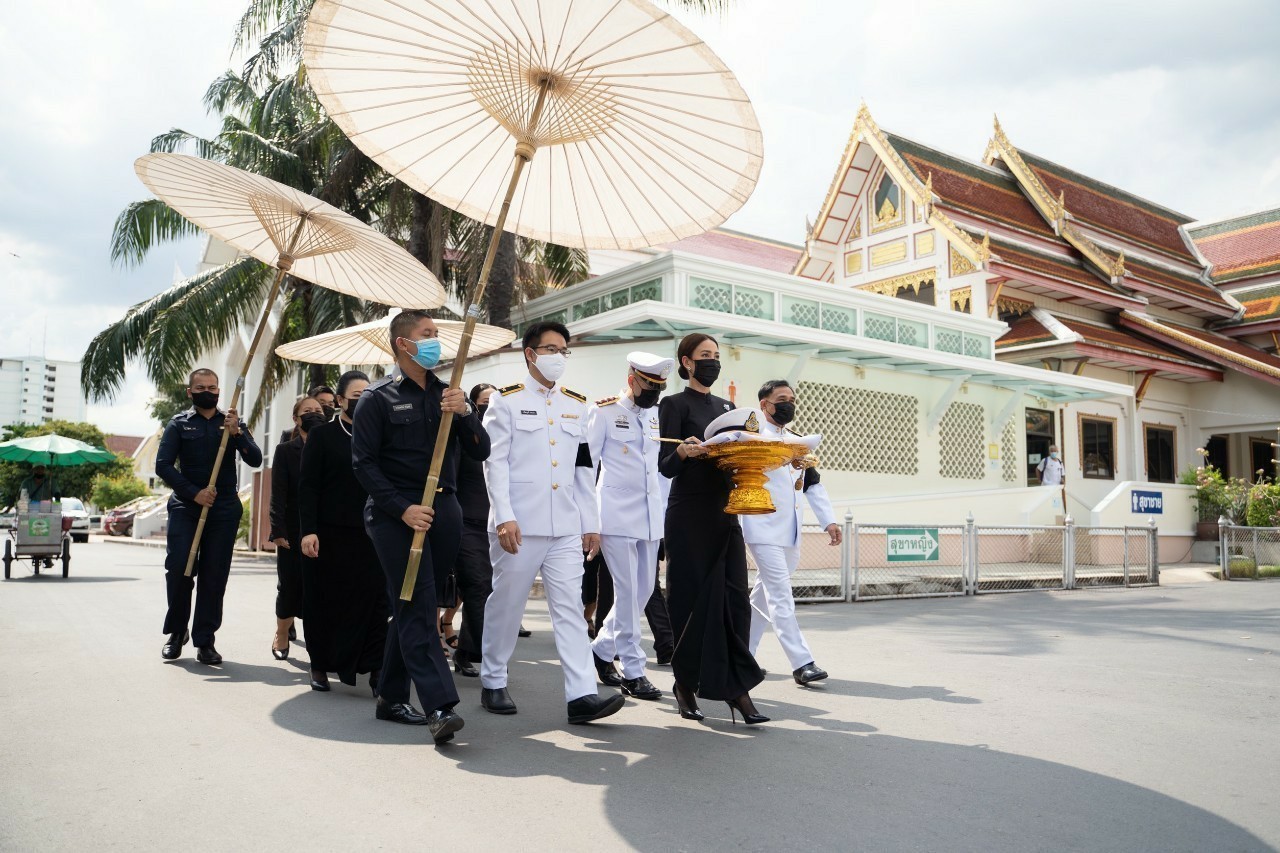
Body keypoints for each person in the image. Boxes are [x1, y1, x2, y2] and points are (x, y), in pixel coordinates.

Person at [479, 321, 625, 725]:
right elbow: (495, 465)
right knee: (507, 604)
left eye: (564, 350)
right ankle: (493, 679)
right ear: (531, 353)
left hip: (564, 526)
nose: (559, 356)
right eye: (551, 349)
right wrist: (504, 516)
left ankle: (582, 696)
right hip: (518, 526)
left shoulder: (577, 404)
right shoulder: (505, 402)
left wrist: (589, 521)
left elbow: (582, 468)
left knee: (570, 609)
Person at [352, 309, 486, 745]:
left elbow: (480, 452)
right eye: (426, 335)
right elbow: (364, 465)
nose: (435, 341)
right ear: (402, 344)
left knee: (410, 601)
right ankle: (439, 706)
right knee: (418, 604)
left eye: (436, 334)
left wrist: (465, 412)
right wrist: (402, 508)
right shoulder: (378, 397)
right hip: (397, 516)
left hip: (444, 512)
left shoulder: (449, 394)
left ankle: (390, 697)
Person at [658, 333, 767, 725]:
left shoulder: (728, 407)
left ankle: (736, 687)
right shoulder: (672, 404)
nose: (712, 362)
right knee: (688, 599)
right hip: (688, 515)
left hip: (725, 511)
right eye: (705, 356)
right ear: (687, 362)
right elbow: (665, 463)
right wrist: (684, 452)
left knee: (735, 597)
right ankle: (684, 684)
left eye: (716, 356)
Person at [157, 368, 263, 664]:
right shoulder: (178, 424)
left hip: (224, 508)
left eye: (213, 387)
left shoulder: (231, 423)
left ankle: (205, 639)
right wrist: (194, 493)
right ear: (190, 392)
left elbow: (255, 459)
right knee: (179, 568)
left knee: (214, 575)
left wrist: (238, 434)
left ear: (220, 391)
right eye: (201, 387)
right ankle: (177, 633)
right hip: (187, 506)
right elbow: (163, 466)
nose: (208, 391)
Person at [584, 351, 674, 701]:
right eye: (650, 386)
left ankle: (602, 649)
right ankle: (634, 671)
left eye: (660, 387)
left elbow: (655, 469)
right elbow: (587, 468)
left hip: (650, 516)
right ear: (632, 380)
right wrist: (588, 520)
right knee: (626, 593)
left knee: (644, 591)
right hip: (616, 514)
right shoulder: (604, 411)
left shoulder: (654, 416)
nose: (654, 393)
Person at [742, 380, 838, 686]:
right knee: (781, 595)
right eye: (781, 399)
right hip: (761, 526)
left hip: (791, 531)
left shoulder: (799, 441)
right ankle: (802, 663)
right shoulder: (751, 438)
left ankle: (743, 656)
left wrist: (829, 522)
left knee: (762, 598)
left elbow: (812, 484)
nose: (788, 404)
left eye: (792, 399)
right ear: (765, 404)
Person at [299, 371, 387, 694]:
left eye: (369, 393)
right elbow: (308, 488)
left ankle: (377, 670)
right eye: (356, 394)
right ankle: (319, 664)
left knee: (376, 602)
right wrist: (308, 531)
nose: (363, 399)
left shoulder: (380, 434)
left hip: (372, 533)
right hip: (328, 536)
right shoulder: (322, 437)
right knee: (324, 602)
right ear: (339, 401)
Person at [268, 396, 324, 661]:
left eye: (318, 410)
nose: (314, 414)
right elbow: (277, 493)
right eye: (308, 411)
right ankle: (281, 633)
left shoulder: (332, 446)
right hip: (292, 527)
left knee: (320, 588)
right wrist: (277, 530)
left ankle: (320, 643)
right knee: (289, 584)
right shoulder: (286, 451)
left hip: (325, 528)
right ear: (296, 418)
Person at [449, 383, 497, 678]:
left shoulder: (504, 435)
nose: (492, 406)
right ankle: (490, 657)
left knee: (487, 590)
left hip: (496, 523)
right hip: (465, 521)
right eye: (485, 402)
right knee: (478, 586)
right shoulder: (464, 435)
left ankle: (466, 651)